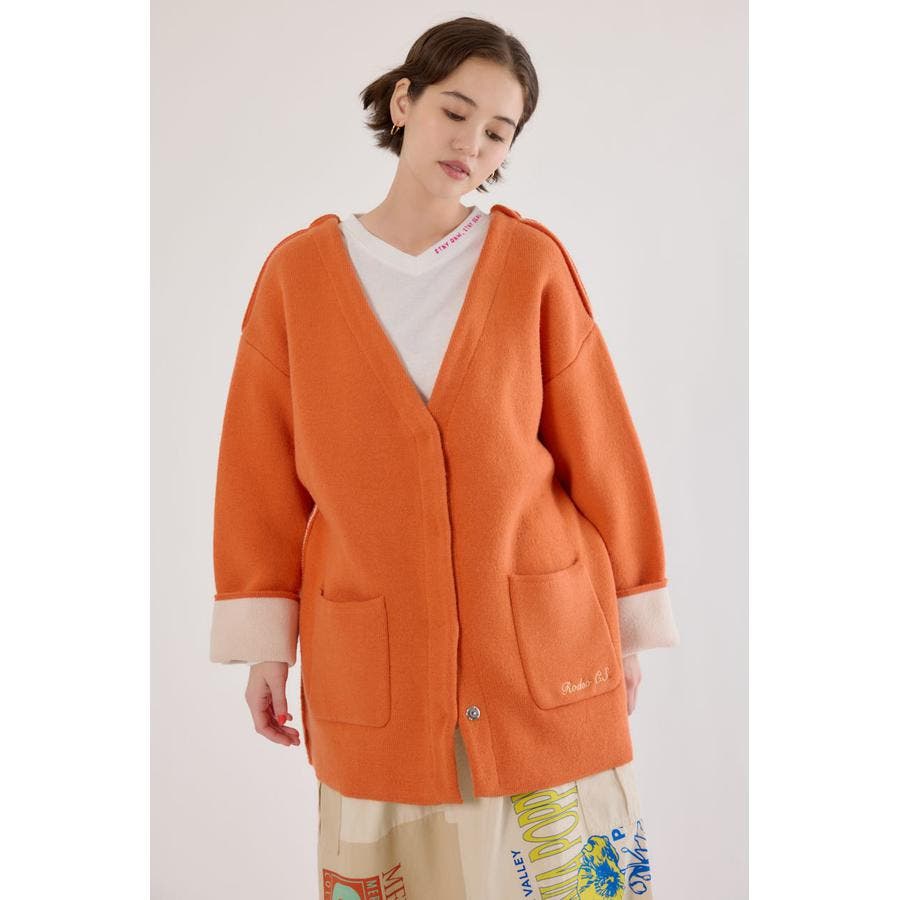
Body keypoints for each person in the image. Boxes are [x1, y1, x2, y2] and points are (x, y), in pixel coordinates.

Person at [210, 16, 679, 899]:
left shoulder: (531, 263)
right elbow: (257, 473)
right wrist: (267, 646)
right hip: (373, 663)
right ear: (404, 101)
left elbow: (603, 450)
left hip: (538, 652)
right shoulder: (298, 276)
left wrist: (625, 624)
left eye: (498, 132)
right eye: (455, 113)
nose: (471, 145)